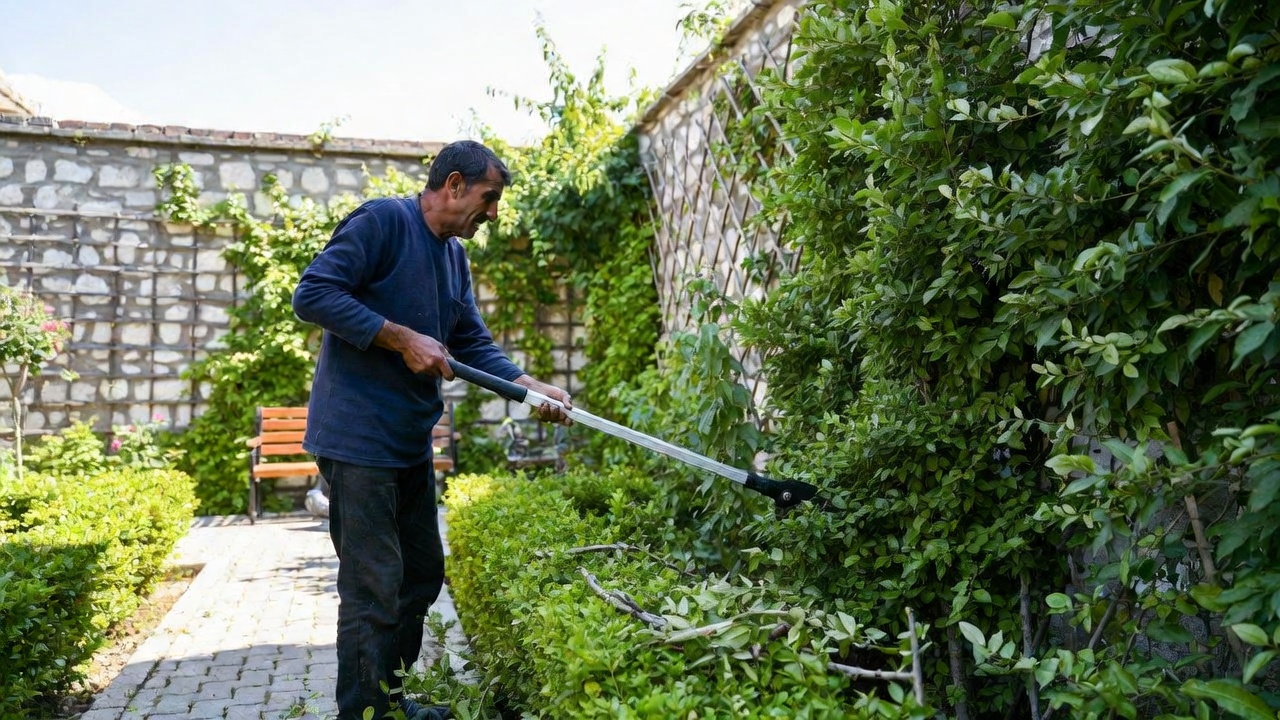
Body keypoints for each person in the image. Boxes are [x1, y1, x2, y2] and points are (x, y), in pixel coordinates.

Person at [292, 140, 572, 720]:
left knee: (420, 574)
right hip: (357, 442)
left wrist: (528, 385)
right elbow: (313, 293)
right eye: (489, 198)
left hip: (407, 442)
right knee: (374, 589)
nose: (493, 212)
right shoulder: (383, 222)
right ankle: (364, 713)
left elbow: (470, 342)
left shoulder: (453, 258)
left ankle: (389, 701)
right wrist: (399, 337)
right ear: (452, 184)